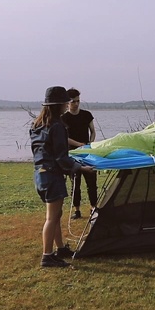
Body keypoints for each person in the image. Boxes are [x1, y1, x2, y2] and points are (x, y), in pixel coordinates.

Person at [30, 86, 95, 268]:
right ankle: (47, 256)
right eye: (66, 102)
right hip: (52, 176)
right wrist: (81, 168)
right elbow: (61, 157)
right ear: (59, 104)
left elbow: (44, 153)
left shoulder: (37, 124)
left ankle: (60, 249)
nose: (68, 105)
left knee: (56, 215)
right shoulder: (57, 126)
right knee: (51, 218)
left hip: (40, 175)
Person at [61, 88, 98, 220]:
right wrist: (78, 144)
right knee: (75, 184)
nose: (75, 104)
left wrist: (90, 144)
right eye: (72, 102)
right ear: (68, 103)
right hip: (73, 155)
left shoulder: (87, 115)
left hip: (88, 153)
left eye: (78, 101)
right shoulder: (64, 118)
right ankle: (77, 210)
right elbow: (63, 137)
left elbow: (93, 131)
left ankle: (93, 208)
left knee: (92, 183)